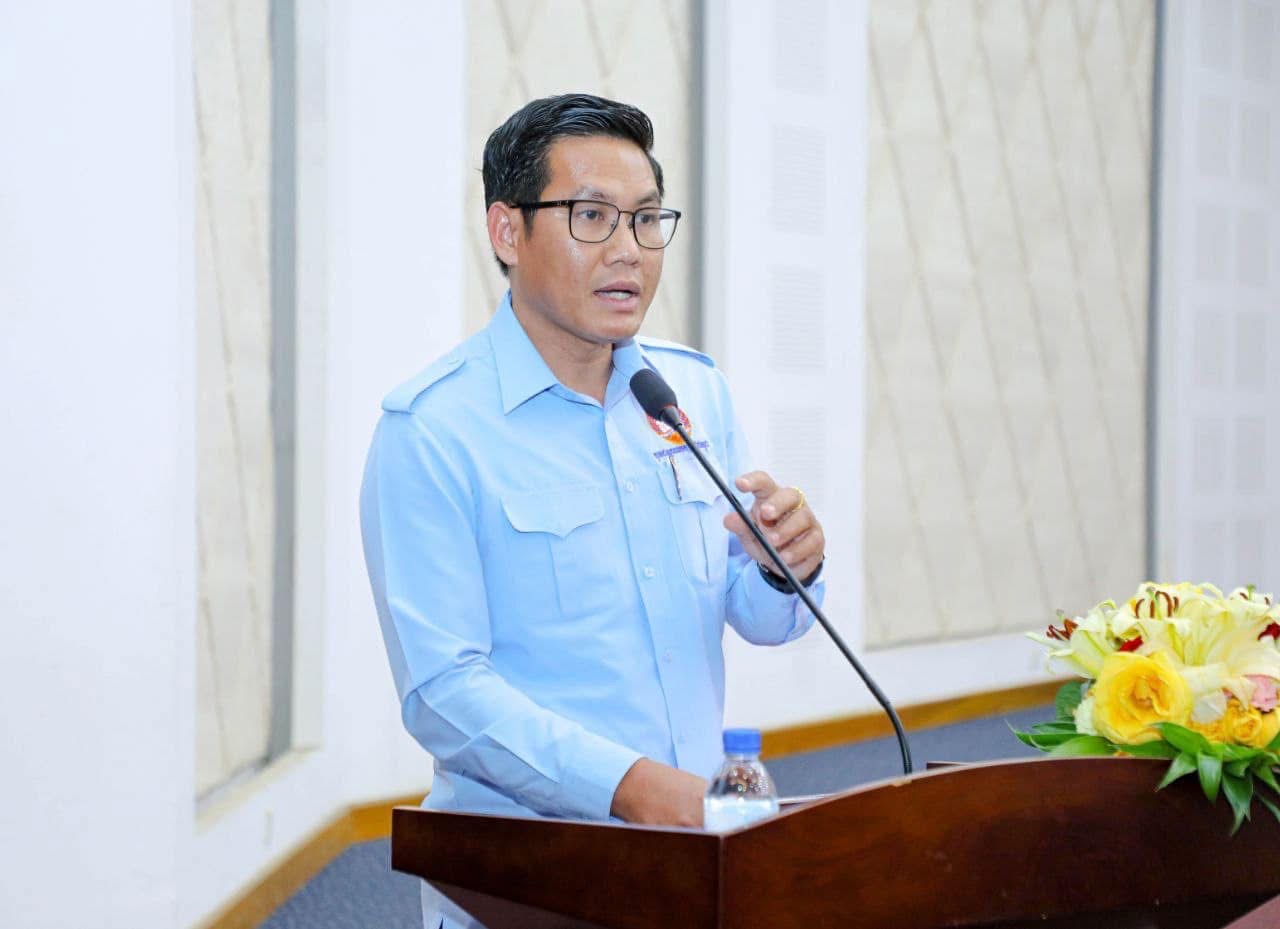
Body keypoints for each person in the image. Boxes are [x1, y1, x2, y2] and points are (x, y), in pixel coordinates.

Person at [359, 93, 826, 927]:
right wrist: (629, 786)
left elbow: (759, 618)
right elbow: (443, 690)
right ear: (507, 231)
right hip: (529, 875)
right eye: (592, 216)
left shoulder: (691, 394)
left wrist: (785, 566)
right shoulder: (432, 430)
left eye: (646, 219)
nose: (628, 250)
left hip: (694, 857)